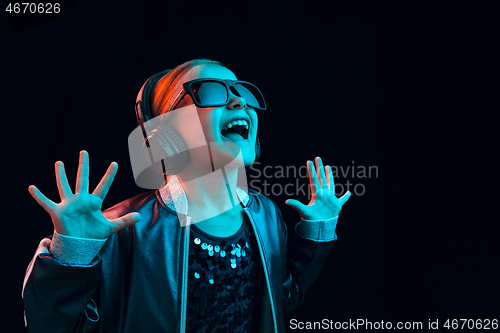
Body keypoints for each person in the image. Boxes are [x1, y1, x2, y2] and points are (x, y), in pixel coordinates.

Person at [22, 58, 351, 333]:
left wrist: (318, 231)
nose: (238, 101)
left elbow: (282, 298)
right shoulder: (122, 230)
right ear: (166, 134)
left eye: (240, 91)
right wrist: (73, 253)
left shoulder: (266, 216)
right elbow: (53, 326)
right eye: (210, 92)